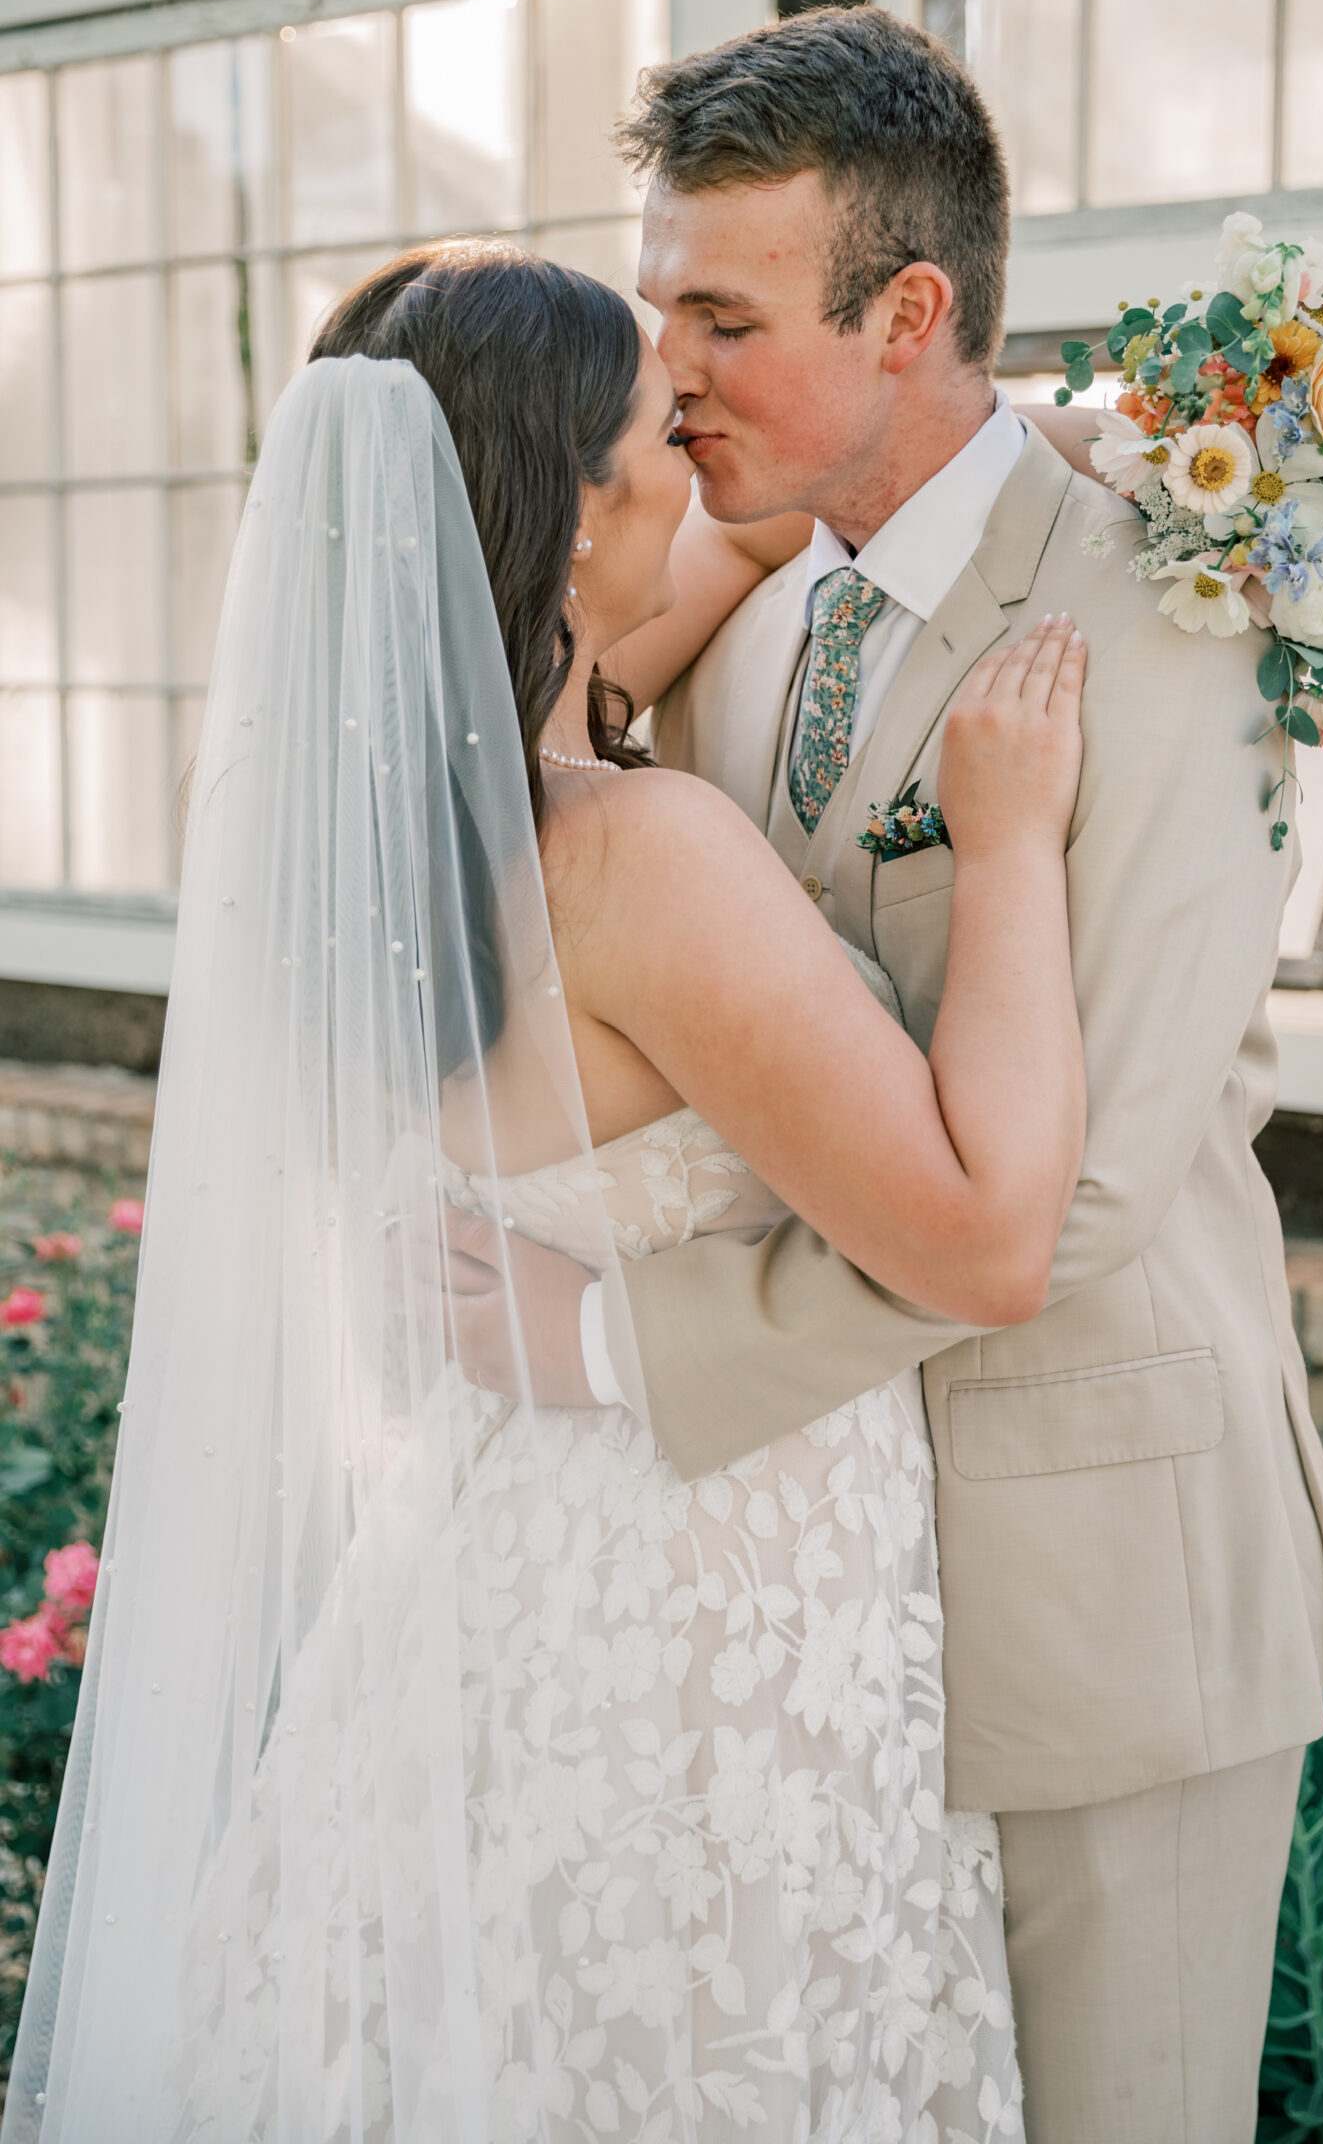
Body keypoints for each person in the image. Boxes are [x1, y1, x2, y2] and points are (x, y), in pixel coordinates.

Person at [4, 244, 1092, 2138]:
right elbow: (988, 1236)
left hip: (499, 1579)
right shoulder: (638, 858)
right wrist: (1003, 846)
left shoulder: (371, 852)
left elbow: (679, 580)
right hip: (722, 1594)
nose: (695, 453)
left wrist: (1009, 454)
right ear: (570, 515)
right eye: (657, 433)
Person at [452, 7, 1323, 2144]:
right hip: (797, 1641)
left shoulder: (1155, 613)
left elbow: (1065, 1202)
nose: (657, 368)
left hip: (1082, 1594)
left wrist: (615, 1340)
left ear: (908, 316)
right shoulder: (741, 569)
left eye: (718, 314)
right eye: (655, 296)